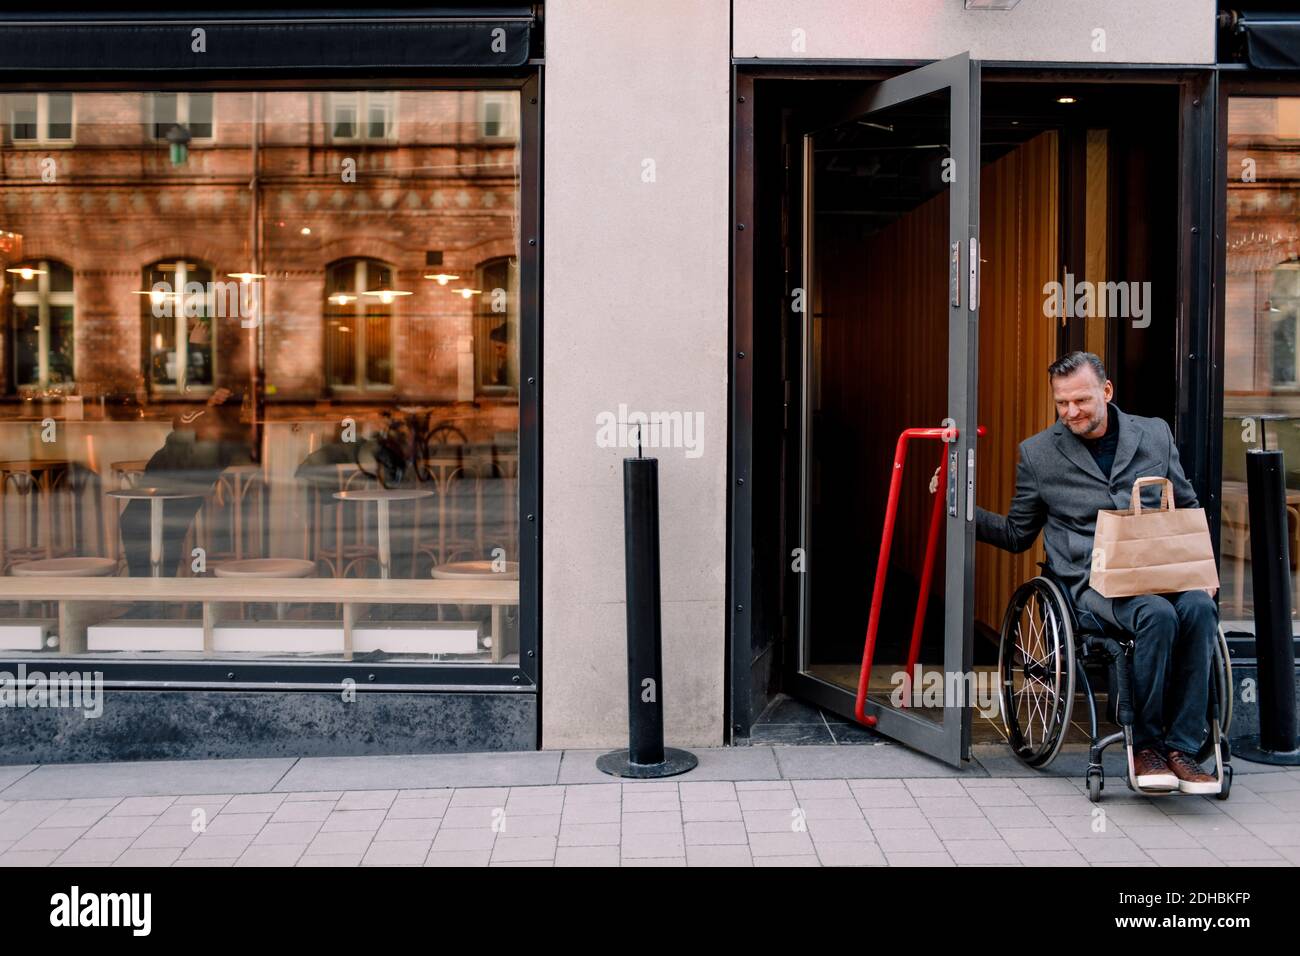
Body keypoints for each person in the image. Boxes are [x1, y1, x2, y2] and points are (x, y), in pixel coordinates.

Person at [976, 351, 1219, 794]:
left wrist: (1203, 569)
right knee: (1157, 616)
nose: (1071, 412)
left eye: (1081, 401)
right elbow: (1017, 534)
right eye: (1062, 403)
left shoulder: (1154, 435)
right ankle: (1146, 746)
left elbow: (1184, 504)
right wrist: (959, 511)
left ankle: (1183, 748)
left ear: (1106, 391)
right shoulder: (1038, 454)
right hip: (1092, 583)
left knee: (1200, 607)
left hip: (1160, 568)